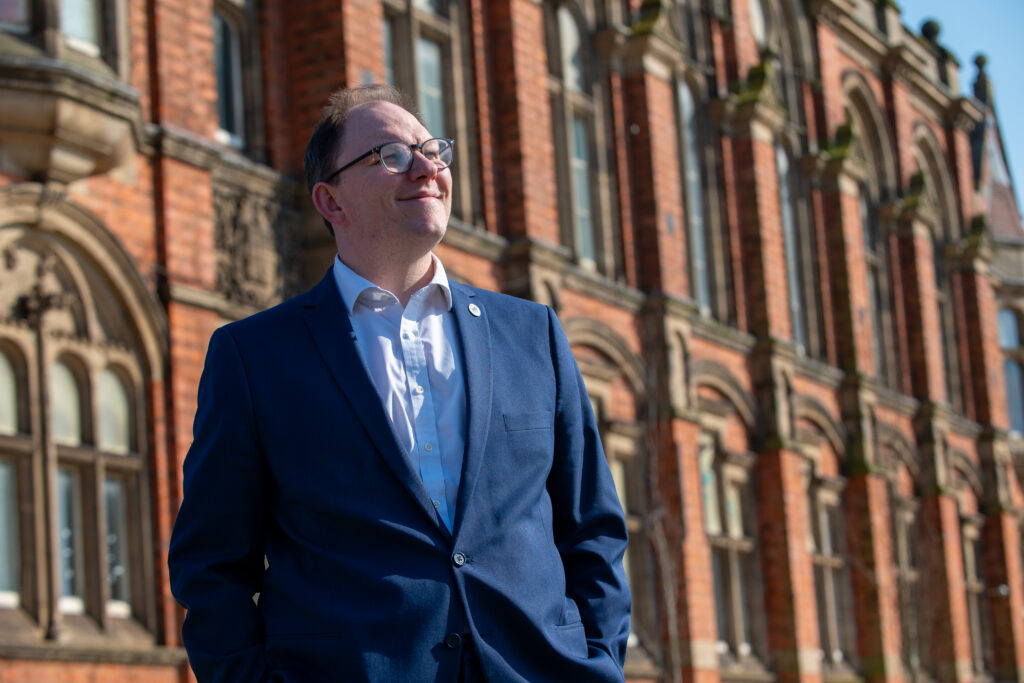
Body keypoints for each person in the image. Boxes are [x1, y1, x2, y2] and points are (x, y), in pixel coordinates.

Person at [167, 84, 630, 682]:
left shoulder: (532, 333)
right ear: (331, 202)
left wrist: (599, 662)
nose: (428, 167)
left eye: (433, 149)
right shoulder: (254, 355)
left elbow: (591, 526)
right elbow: (212, 566)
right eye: (391, 155)